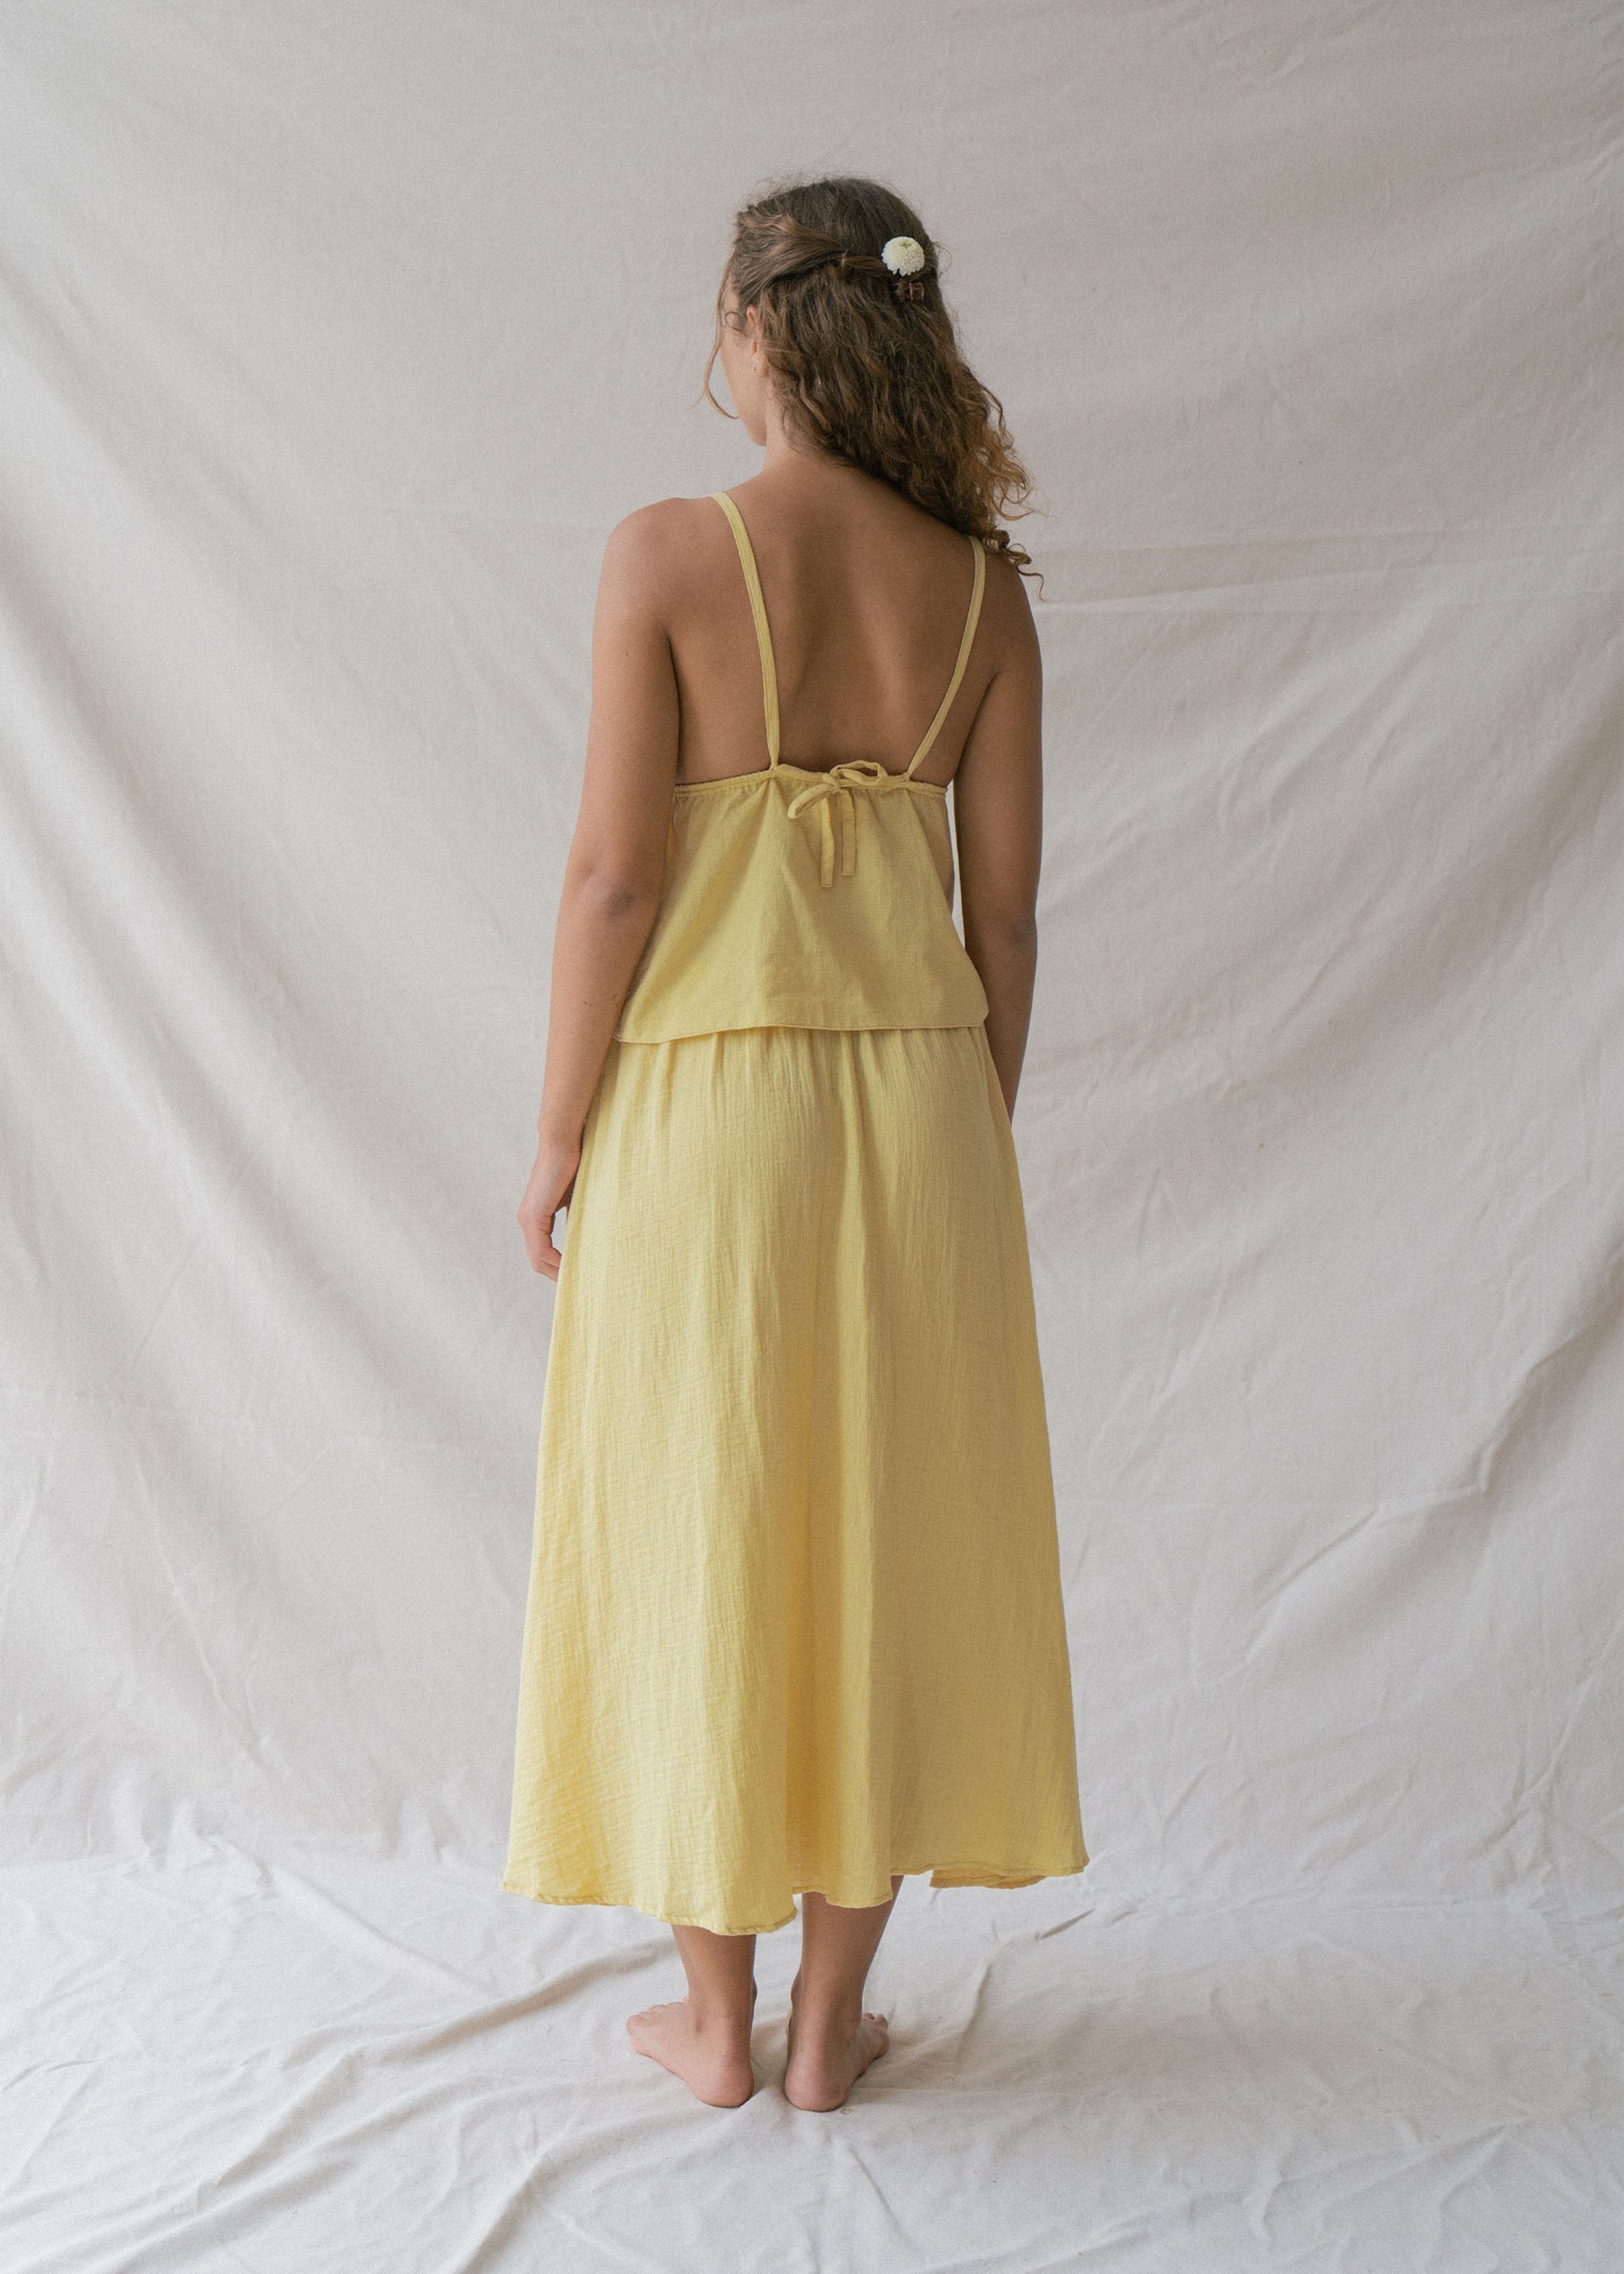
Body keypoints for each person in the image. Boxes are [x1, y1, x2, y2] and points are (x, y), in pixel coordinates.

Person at [503, 175, 1086, 2112]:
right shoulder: (981, 590)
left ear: (760, 326)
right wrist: (965, 1127)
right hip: (917, 1106)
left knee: (704, 1519)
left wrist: (556, 1127)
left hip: (707, 1112)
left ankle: (718, 2022)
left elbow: (611, 876)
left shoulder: (668, 552)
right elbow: (1007, 919)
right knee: (877, 1540)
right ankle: (833, 2025)